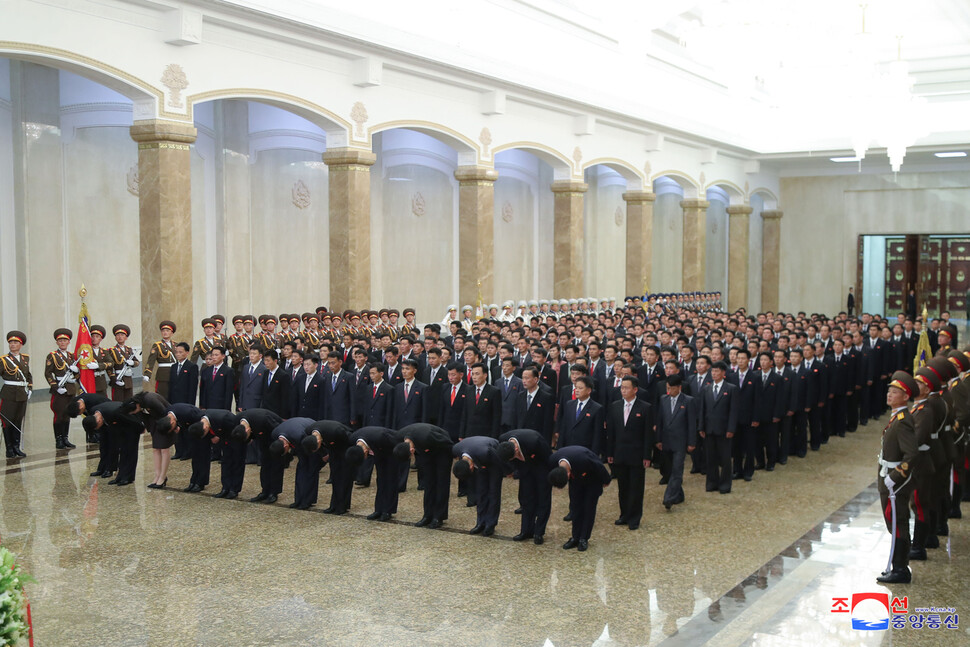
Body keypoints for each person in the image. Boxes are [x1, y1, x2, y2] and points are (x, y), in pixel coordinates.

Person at [876, 371, 920, 584]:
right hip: (889, 480)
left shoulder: (903, 421)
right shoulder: (897, 416)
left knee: (898, 523)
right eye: (889, 391)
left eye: (895, 392)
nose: (890, 395)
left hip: (896, 484)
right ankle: (897, 565)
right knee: (893, 522)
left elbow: (911, 454)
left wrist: (895, 477)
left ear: (905, 396)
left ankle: (901, 569)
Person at [605, 376, 653, 529]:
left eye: (626, 388)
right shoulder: (615, 406)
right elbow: (611, 432)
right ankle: (624, 514)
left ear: (635, 389)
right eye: (622, 387)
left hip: (637, 454)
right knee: (623, 487)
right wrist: (610, 453)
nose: (623, 390)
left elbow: (648, 435)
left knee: (636, 488)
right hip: (619, 453)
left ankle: (634, 518)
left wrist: (647, 455)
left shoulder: (645, 407)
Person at [548, 445, 611, 551]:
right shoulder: (553, 460)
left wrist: (606, 480)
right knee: (575, 508)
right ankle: (575, 537)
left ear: (568, 474)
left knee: (588, 509)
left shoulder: (584, 459)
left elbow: (599, 466)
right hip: (576, 481)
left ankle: (584, 538)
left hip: (592, 479)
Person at [498, 428, 552, 544]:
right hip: (524, 469)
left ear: (516, 448)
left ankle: (539, 532)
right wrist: (512, 471)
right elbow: (505, 460)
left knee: (543, 500)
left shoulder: (535, 441)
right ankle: (526, 531)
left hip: (542, 467)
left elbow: (549, 458)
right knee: (527, 500)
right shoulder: (503, 440)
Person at [396, 423, 453, 528]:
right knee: (429, 483)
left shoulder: (426, 436)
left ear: (412, 451)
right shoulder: (400, 436)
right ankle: (428, 515)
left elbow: (447, 442)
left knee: (441, 482)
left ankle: (439, 516)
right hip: (425, 450)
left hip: (442, 449)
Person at [654, 373, 697, 510]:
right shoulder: (663, 399)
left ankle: (669, 498)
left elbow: (691, 424)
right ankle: (679, 494)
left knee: (677, 470)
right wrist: (658, 439)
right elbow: (660, 420)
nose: (669, 391)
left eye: (672, 388)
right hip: (666, 441)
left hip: (680, 441)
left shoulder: (688, 401)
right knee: (668, 470)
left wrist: (692, 442)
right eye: (667, 388)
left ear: (679, 387)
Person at [345, 426, 406, 520]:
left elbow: (398, 442)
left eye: (365, 456)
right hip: (378, 451)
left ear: (365, 451)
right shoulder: (353, 438)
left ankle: (388, 511)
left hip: (391, 450)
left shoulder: (381, 436)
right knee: (380, 480)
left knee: (390, 480)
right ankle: (379, 509)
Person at [452, 435, 509, 536]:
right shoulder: (455, 449)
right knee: (481, 492)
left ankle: (490, 524)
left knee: (493, 492)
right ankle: (480, 523)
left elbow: (500, 461)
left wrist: (509, 471)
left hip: (493, 461)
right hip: (478, 459)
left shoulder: (485, 452)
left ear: (471, 466)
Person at [81, 400, 145, 484]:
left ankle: (128, 477)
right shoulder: (94, 411)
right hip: (122, 426)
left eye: (97, 428)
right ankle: (120, 477)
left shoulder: (114, 412)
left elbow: (133, 420)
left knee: (130, 451)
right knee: (122, 451)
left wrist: (141, 428)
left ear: (99, 421)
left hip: (132, 425)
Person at [698, 361, 738, 494]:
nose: (714, 374)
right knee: (710, 457)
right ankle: (711, 482)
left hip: (724, 429)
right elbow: (702, 409)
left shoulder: (731, 388)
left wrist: (731, 429)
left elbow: (733, 411)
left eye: (717, 371)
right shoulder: (706, 388)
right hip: (709, 429)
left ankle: (725, 484)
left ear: (723, 373)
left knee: (725, 458)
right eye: (712, 371)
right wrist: (701, 427)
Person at [233, 408, 285, 503]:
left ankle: (274, 492)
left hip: (274, 437)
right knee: (265, 463)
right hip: (262, 438)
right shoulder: (238, 419)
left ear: (248, 429)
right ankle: (265, 491)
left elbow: (278, 430)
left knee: (275, 465)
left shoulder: (263, 419)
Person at [188, 409, 241, 498]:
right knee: (225, 462)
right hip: (224, 437)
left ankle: (234, 489)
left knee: (236, 462)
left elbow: (235, 431)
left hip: (234, 436)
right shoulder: (200, 419)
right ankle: (225, 487)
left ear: (205, 428)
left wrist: (222, 439)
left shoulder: (225, 418)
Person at [45, 328, 79, 450]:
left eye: (65, 340)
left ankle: (65, 438)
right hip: (59, 389)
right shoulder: (52, 356)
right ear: (57, 342)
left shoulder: (71, 356)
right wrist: (55, 387)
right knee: (59, 415)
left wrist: (76, 373)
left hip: (70, 389)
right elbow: (48, 374)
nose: (63, 342)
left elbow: (77, 375)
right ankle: (58, 439)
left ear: (69, 342)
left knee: (67, 414)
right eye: (60, 340)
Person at [1, 330, 32, 458]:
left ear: (21, 344)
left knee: (18, 420)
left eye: (15, 342)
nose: (13, 345)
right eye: (11, 342)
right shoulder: (3, 360)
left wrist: (30, 387)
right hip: (9, 393)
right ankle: (9, 449)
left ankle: (16, 447)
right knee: (7, 421)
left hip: (22, 394)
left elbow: (28, 375)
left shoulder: (25, 358)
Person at [514, 366, 555, 446]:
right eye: (523, 378)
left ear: (536, 379)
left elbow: (547, 424)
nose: (524, 381)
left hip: (537, 438)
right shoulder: (520, 396)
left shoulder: (546, 397)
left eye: (527, 378)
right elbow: (515, 418)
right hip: (521, 437)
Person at [143, 321, 178, 394]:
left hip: (175, 372)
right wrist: (147, 374)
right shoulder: (157, 345)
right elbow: (151, 360)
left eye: (167, 331)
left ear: (171, 333)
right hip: (163, 374)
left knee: (174, 394)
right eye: (163, 331)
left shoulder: (176, 345)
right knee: (162, 394)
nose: (165, 332)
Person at [105, 324, 138, 402]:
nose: (120, 337)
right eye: (118, 335)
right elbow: (109, 367)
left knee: (129, 402)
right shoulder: (112, 350)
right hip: (118, 378)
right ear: (115, 337)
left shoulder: (129, 350)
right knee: (118, 402)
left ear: (126, 337)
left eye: (122, 335)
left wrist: (133, 363)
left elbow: (136, 362)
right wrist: (114, 379)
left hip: (128, 379)